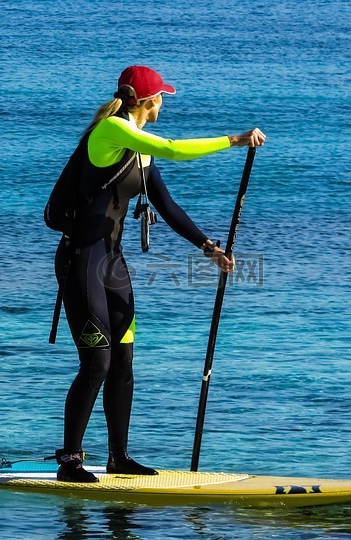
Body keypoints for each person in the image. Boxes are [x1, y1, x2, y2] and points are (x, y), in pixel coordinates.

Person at [54, 65, 265, 482]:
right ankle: (70, 460)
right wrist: (235, 140)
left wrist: (208, 248)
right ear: (147, 101)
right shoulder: (113, 130)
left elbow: (166, 206)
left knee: (124, 362)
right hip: (80, 261)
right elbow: (173, 148)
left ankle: (118, 457)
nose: (164, 102)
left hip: (111, 263)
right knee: (96, 363)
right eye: (162, 96)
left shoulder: (141, 148)